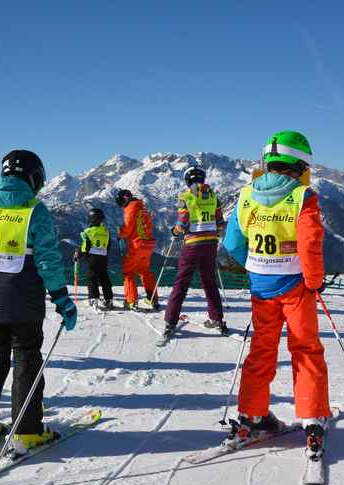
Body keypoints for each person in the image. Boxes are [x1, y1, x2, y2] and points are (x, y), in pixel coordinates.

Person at [0, 149, 76, 454]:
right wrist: (62, 298)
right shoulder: (34, 210)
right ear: (34, 177)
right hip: (23, 299)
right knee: (26, 357)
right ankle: (27, 431)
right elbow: (48, 260)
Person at [222, 130, 330, 449]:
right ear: (300, 165)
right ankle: (312, 416)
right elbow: (310, 244)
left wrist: (254, 264)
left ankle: (253, 417)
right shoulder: (302, 196)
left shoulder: (245, 195)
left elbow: (232, 243)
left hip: (261, 287)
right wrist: (314, 281)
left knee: (262, 350)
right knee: (306, 348)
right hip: (296, 286)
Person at [160, 166, 226, 341]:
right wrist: (215, 232)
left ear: (187, 181)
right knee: (209, 283)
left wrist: (175, 231)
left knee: (181, 283)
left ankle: (170, 322)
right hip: (211, 244)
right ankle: (217, 319)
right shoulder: (213, 196)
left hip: (192, 245)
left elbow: (182, 223)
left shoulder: (186, 197)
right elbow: (220, 222)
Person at [115, 189, 157, 311]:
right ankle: (152, 298)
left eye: (121, 202)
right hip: (148, 244)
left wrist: (120, 233)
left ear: (124, 199)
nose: (122, 206)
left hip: (136, 244)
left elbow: (127, 228)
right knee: (144, 271)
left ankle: (131, 301)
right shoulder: (143, 208)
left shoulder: (131, 208)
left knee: (128, 271)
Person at [74, 207, 114, 309]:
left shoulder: (88, 231)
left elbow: (85, 246)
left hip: (92, 258)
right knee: (104, 278)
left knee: (92, 278)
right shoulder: (106, 231)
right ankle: (109, 299)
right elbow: (108, 245)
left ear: (91, 219)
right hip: (103, 258)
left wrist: (78, 254)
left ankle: (94, 298)